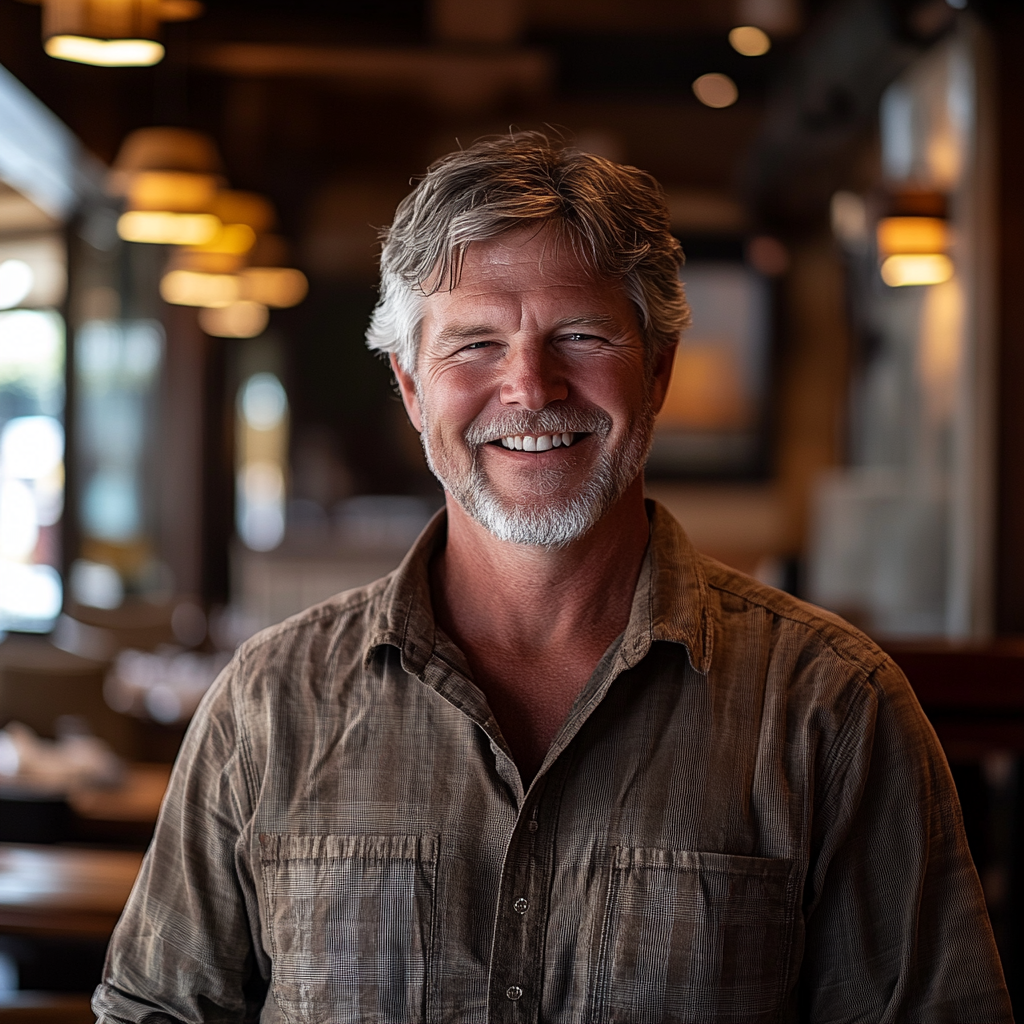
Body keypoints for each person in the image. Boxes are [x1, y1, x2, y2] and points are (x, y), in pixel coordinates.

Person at [94, 133, 1011, 1023]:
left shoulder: (833, 707)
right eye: (475, 345)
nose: (530, 388)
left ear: (656, 372)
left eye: (580, 335)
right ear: (412, 388)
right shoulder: (267, 703)